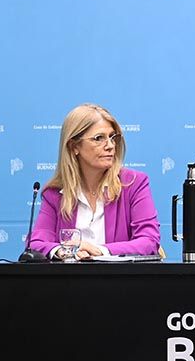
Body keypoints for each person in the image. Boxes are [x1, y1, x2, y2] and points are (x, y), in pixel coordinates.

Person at [29, 103, 160, 258]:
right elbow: (35, 244)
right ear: (73, 146)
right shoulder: (54, 194)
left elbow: (149, 241)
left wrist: (100, 251)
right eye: (99, 138)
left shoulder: (134, 183)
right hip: (70, 281)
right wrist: (65, 251)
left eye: (113, 137)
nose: (111, 146)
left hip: (122, 280)